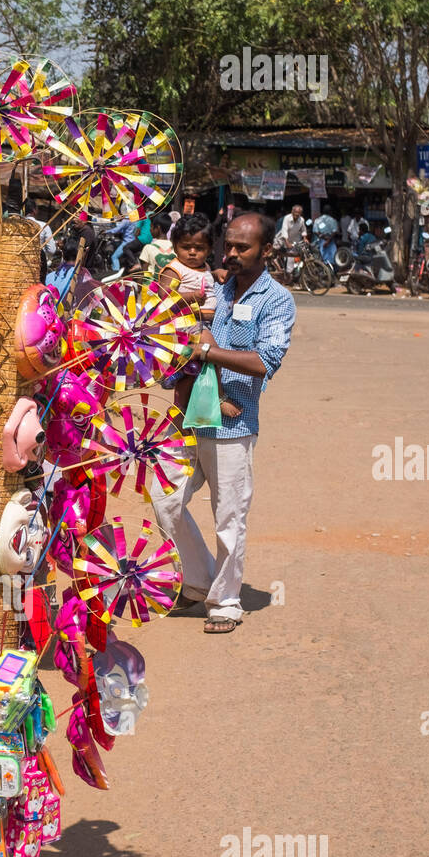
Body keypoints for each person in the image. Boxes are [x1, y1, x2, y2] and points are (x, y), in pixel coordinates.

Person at [151, 212, 295, 634]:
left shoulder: (277, 299)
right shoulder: (212, 286)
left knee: (229, 516)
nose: (230, 254)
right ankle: (197, 580)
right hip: (189, 419)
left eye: (242, 248)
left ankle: (226, 600)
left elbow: (265, 362)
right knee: (165, 498)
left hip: (234, 425)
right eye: (227, 245)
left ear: (266, 250)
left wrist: (206, 352)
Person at [158, 213, 226, 413]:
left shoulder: (203, 267)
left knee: (191, 373)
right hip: (187, 323)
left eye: (200, 248)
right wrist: (192, 297)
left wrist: (214, 273)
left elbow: (200, 277)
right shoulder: (174, 269)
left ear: (210, 249)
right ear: (175, 245)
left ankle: (179, 408)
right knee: (216, 355)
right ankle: (221, 398)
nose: (193, 252)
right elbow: (164, 297)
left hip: (202, 323)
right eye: (186, 247)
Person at [24, 197, 57, 282]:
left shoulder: (17, 225)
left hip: (19, 265)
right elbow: (52, 250)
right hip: (38, 266)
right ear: (34, 210)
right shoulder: (44, 226)